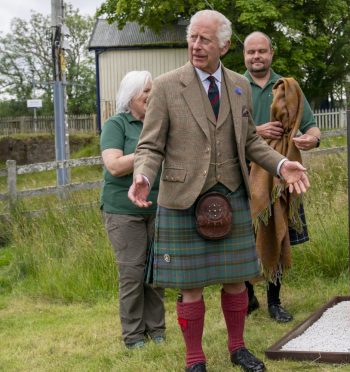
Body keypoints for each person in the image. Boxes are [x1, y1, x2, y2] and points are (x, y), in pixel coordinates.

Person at [127, 10, 309, 372]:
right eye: (192, 37)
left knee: (236, 281)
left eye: (204, 39)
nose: (195, 45)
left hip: (231, 195)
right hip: (182, 198)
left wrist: (280, 164)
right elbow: (149, 146)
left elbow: (251, 142)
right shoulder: (166, 85)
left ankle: (238, 348)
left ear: (224, 45)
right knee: (190, 286)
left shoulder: (239, 85)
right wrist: (143, 174)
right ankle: (195, 359)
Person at [242, 32, 321, 323]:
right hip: (244, 176)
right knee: (246, 238)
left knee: (278, 234)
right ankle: (247, 296)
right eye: (251, 52)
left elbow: (312, 128)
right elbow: (223, 135)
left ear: (271, 53)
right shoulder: (235, 87)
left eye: (262, 51)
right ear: (244, 55)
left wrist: (311, 141)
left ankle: (274, 301)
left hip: (280, 179)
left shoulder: (289, 87)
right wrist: (257, 132)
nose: (256, 57)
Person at [100, 70, 166, 349]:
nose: (151, 96)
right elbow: (114, 166)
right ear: (131, 96)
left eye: (153, 90)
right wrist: (147, 147)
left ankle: (157, 330)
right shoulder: (117, 124)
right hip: (122, 210)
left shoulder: (158, 123)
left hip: (158, 206)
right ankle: (133, 336)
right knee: (132, 273)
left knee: (156, 271)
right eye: (146, 91)